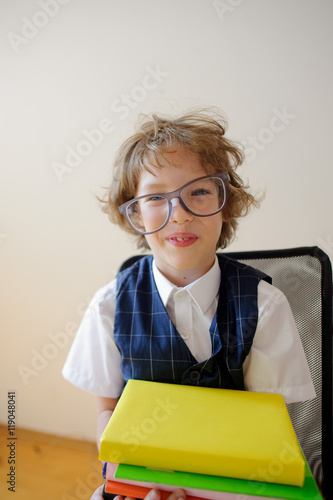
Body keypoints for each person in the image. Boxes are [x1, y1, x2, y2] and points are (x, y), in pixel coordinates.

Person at [62, 109, 315, 500]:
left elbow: (266, 433)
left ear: (225, 204)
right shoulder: (110, 306)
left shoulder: (265, 306)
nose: (178, 214)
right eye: (155, 198)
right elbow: (106, 417)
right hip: (139, 485)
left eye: (198, 191)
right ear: (134, 213)